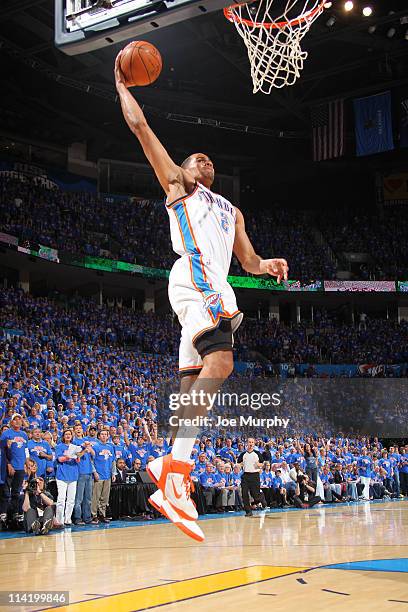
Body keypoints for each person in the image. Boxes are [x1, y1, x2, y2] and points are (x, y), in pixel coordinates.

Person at [115, 54, 288, 542]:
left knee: (195, 384)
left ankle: (167, 464)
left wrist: (265, 265)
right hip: (195, 279)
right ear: (185, 169)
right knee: (224, 367)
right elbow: (141, 127)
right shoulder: (178, 184)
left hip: (218, 283)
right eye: (197, 158)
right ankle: (175, 474)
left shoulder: (232, 208)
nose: (204, 161)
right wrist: (122, 86)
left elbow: (248, 261)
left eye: (209, 159)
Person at [0, 414, 28, 523]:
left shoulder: (24, 435)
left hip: (20, 467)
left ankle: (15, 514)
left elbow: (25, 451)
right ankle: (3, 514)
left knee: (16, 492)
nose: (17, 421)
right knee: (5, 493)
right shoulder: (6, 434)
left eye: (19, 419)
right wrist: (8, 464)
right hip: (9, 466)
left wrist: (26, 464)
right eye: (15, 420)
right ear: (11, 422)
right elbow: (2, 451)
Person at [237, 438, 266, 517]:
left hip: (255, 475)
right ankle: (248, 511)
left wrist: (259, 465)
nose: (251, 443)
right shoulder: (243, 454)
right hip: (245, 475)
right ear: (247, 443)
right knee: (244, 493)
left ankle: (261, 497)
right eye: (249, 442)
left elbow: (262, 464)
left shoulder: (257, 453)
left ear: (254, 444)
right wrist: (239, 465)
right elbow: (239, 463)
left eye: (252, 442)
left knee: (255, 495)